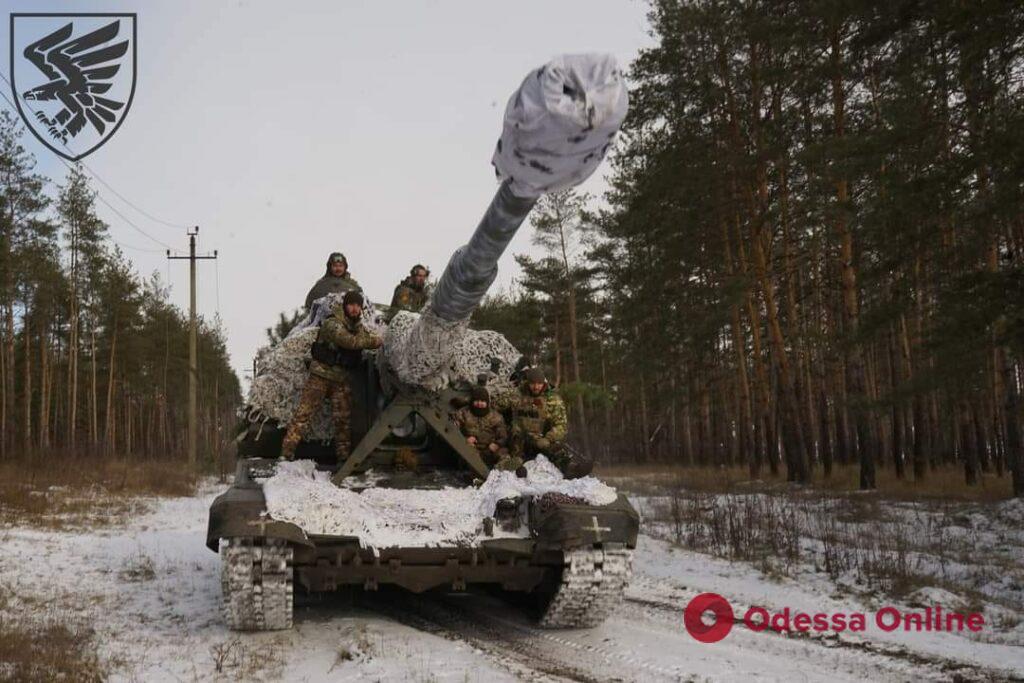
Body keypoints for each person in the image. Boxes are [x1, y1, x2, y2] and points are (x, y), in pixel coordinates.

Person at [281, 290, 381, 461]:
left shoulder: (357, 326)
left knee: (343, 421)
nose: (355, 309)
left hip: (340, 379)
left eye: (358, 305)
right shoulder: (332, 322)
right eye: (351, 305)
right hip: (321, 375)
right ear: (345, 305)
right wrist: (377, 341)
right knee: (303, 416)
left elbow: (363, 337)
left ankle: (343, 459)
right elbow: (350, 342)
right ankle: (286, 454)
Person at [496, 367, 585, 476]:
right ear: (527, 382)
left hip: (541, 439)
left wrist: (548, 438)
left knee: (556, 450)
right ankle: (515, 470)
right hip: (520, 439)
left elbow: (561, 425)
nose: (536, 387)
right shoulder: (517, 394)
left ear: (544, 383)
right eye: (533, 383)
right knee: (513, 452)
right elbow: (497, 405)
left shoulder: (552, 399)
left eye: (539, 383)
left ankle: (570, 469)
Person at [453, 386, 520, 471]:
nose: (479, 403)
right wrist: (465, 439)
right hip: (472, 450)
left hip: (490, 450)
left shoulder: (496, 417)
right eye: (476, 401)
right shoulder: (463, 413)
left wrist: (497, 444)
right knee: (468, 458)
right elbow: (453, 431)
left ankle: (499, 471)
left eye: (482, 401)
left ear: (487, 402)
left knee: (503, 454)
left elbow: (503, 436)